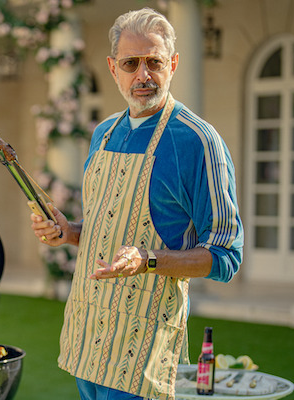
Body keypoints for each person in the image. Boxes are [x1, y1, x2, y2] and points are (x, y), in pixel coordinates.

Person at [30, 8, 243, 400]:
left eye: (154, 62)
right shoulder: (104, 133)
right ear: (114, 69)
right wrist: (69, 232)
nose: (143, 75)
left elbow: (226, 256)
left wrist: (149, 259)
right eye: (131, 63)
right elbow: (108, 228)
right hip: (87, 336)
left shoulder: (198, 140)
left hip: (144, 350)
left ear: (173, 64)